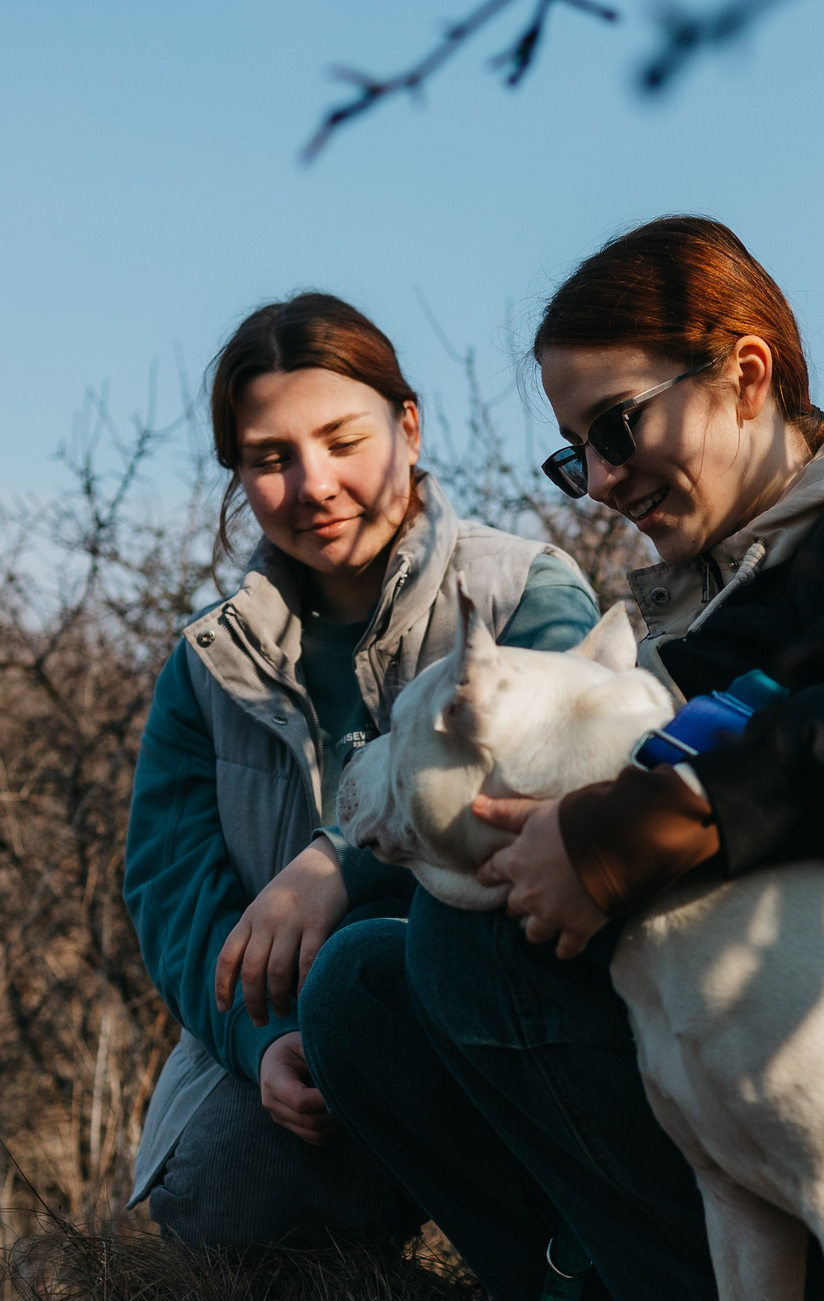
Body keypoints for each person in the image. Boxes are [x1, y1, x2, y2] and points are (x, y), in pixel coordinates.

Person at [300, 218, 824, 1301]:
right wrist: (335, 859)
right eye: (579, 454)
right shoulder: (711, 603)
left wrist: (671, 820)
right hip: (766, 1045)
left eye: (616, 428)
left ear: (744, 375)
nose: (604, 482)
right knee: (362, 987)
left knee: (461, 953)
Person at [122, 292, 601, 1250]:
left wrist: (339, 861)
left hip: (503, 1003)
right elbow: (171, 889)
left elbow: (548, 776)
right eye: (271, 458)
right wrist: (262, 1042)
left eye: (344, 439)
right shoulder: (206, 664)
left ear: (408, 428)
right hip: (298, 1036)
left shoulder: (525, 590)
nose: (315, 483)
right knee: (212, 1200)